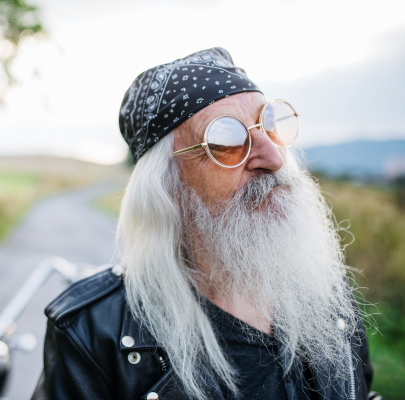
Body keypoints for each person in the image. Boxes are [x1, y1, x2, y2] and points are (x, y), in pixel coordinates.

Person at [31, 47, 380, 400]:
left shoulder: (324, 293)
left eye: (270, 124)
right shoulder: (90, 333)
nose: (273, 159)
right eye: (226, 139)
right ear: (167, 185)